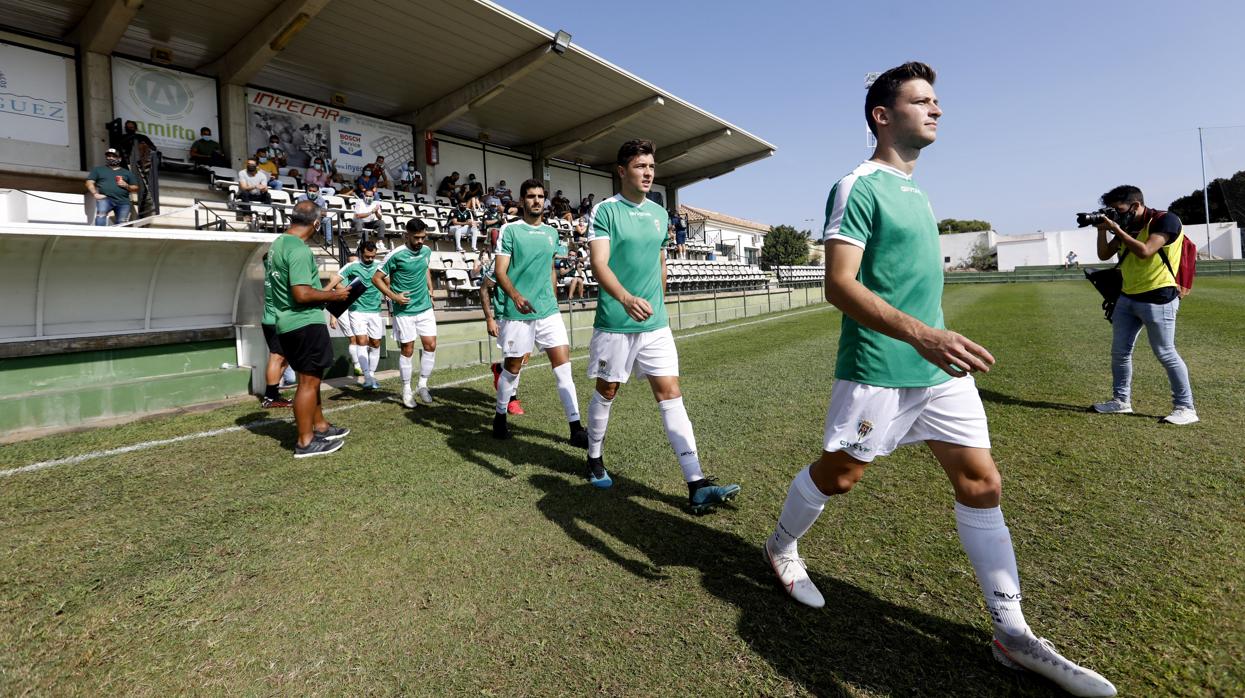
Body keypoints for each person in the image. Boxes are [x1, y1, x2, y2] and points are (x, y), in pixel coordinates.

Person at [761, 62, 1116, 697]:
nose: (937, 109)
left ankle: (1011, 632)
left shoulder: (919, 192)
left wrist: (935, 342)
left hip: (941, 373)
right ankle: (781, 547)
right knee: (840, 477)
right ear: (882, 115)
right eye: (922, 100)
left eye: (936, 100)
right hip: (880, 368)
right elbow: (837, 285)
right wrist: (923, 334)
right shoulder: (857, 186)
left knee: (982, 481)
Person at [584, 139, 740, 513]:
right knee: (607, 391)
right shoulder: (605, 211)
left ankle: (697, 482)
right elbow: (599, 264)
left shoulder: (658, 214)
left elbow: (659, 260)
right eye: (640, 166)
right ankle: (593, 456)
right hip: (616, 322)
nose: (648, 172)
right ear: (622, 171)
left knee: (670, 394)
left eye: (651, 166)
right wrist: (625, 298)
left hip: (655, 324)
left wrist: (660, 295)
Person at [490, 179, 589, 445]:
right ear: (522, 200)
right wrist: (516, 296)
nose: (536, 201)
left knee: (563, 368)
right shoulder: (510, 230)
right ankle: (500, 415)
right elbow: (500, 271)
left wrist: (553, 296)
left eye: (540, 196)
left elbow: (550, 268)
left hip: (547, 311)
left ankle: (576, 427)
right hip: (517, 312)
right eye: (531, 196)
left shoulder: (552, 233)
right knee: (512, 368)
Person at [1091, 185, 1197, 425]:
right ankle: (1121, 401)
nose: (1116, 214)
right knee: (1120, 353)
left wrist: (1117, 229)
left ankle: (1186, 407)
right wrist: (1102, 231)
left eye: (1119, 209)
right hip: (1127, 297)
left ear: (1136, 205)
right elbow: (1104, 255)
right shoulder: (1126, 224)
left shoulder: (1165, 220)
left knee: (1166, 353)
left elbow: (1146, 251)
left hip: (1159, 297)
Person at [268, 200, 352, 457]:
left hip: (288, 322)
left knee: (311, 379)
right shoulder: (300, 250)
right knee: (307, 383)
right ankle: (306, 441)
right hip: (303, 322)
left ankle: (320, 426)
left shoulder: (278, 244)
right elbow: (302, 294)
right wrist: (335, 297)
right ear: (316, 224)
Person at [373, 219, 437, 409]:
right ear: (406, 235)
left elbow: (425, 269)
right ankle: (406, 389)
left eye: (423, 237)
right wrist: (394, 297)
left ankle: (423, 385)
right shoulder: (396, 255)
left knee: (431, 345)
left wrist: (431, 291)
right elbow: (376, 279)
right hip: (405, 310)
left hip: (424, 306)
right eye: (416, 238)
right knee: (407, 349)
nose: (420, 241)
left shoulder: (426, 251)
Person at [336, 241, 385, 389]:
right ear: (360, 254)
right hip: (357, 310)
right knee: (362, 341)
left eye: (372, 256)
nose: (370, 259)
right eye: (366, 256)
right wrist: (349, 291)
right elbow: (335, 281)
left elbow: (388, 281)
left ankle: (372, 374)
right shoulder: (352, 266)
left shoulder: (380, 265)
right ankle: (367, 377)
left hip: (375, 311)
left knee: (376, 343)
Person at [259, 252, 293, 408]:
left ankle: (274, 394)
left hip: (272, 320)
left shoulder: (269, 271)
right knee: (277, 357)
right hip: (276, 321)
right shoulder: (277, 274)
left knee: (284, 358)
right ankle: (270, 397)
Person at [85, 148, 138, 226]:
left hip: (123, 202)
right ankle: (100, 236)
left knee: (122, 223)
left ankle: (119, 238)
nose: (110, 158)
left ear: (119, 159)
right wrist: (95, 194)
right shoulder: (98, 170)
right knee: (100, 216)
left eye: (113, 156)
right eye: (108, 156)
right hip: (105, 198)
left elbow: (136, 188)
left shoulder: (127, 173)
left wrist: (126, 185)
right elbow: (89, 182)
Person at [295, 183, 333, 247]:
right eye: (310, 191)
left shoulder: (321, 200)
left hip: (317, 219)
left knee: (327, 220)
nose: (311, 192)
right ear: (307, 190)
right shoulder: (302, 198)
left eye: (314, 191)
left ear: (318, 192)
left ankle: (328, 241)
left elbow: (324, 213)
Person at [236, 157, 272, 222]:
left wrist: (264, 189)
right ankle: (247, 216)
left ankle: (267, 216)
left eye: (252, 165)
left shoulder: (262, 175)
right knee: (245, 192)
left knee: (267, 195)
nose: (250, 166)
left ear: (257, 166)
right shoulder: (242, 173)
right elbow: (243, 187)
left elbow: (264, 187)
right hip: (245, 195)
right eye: (248, 164)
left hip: (257, 195)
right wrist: (255, 186)